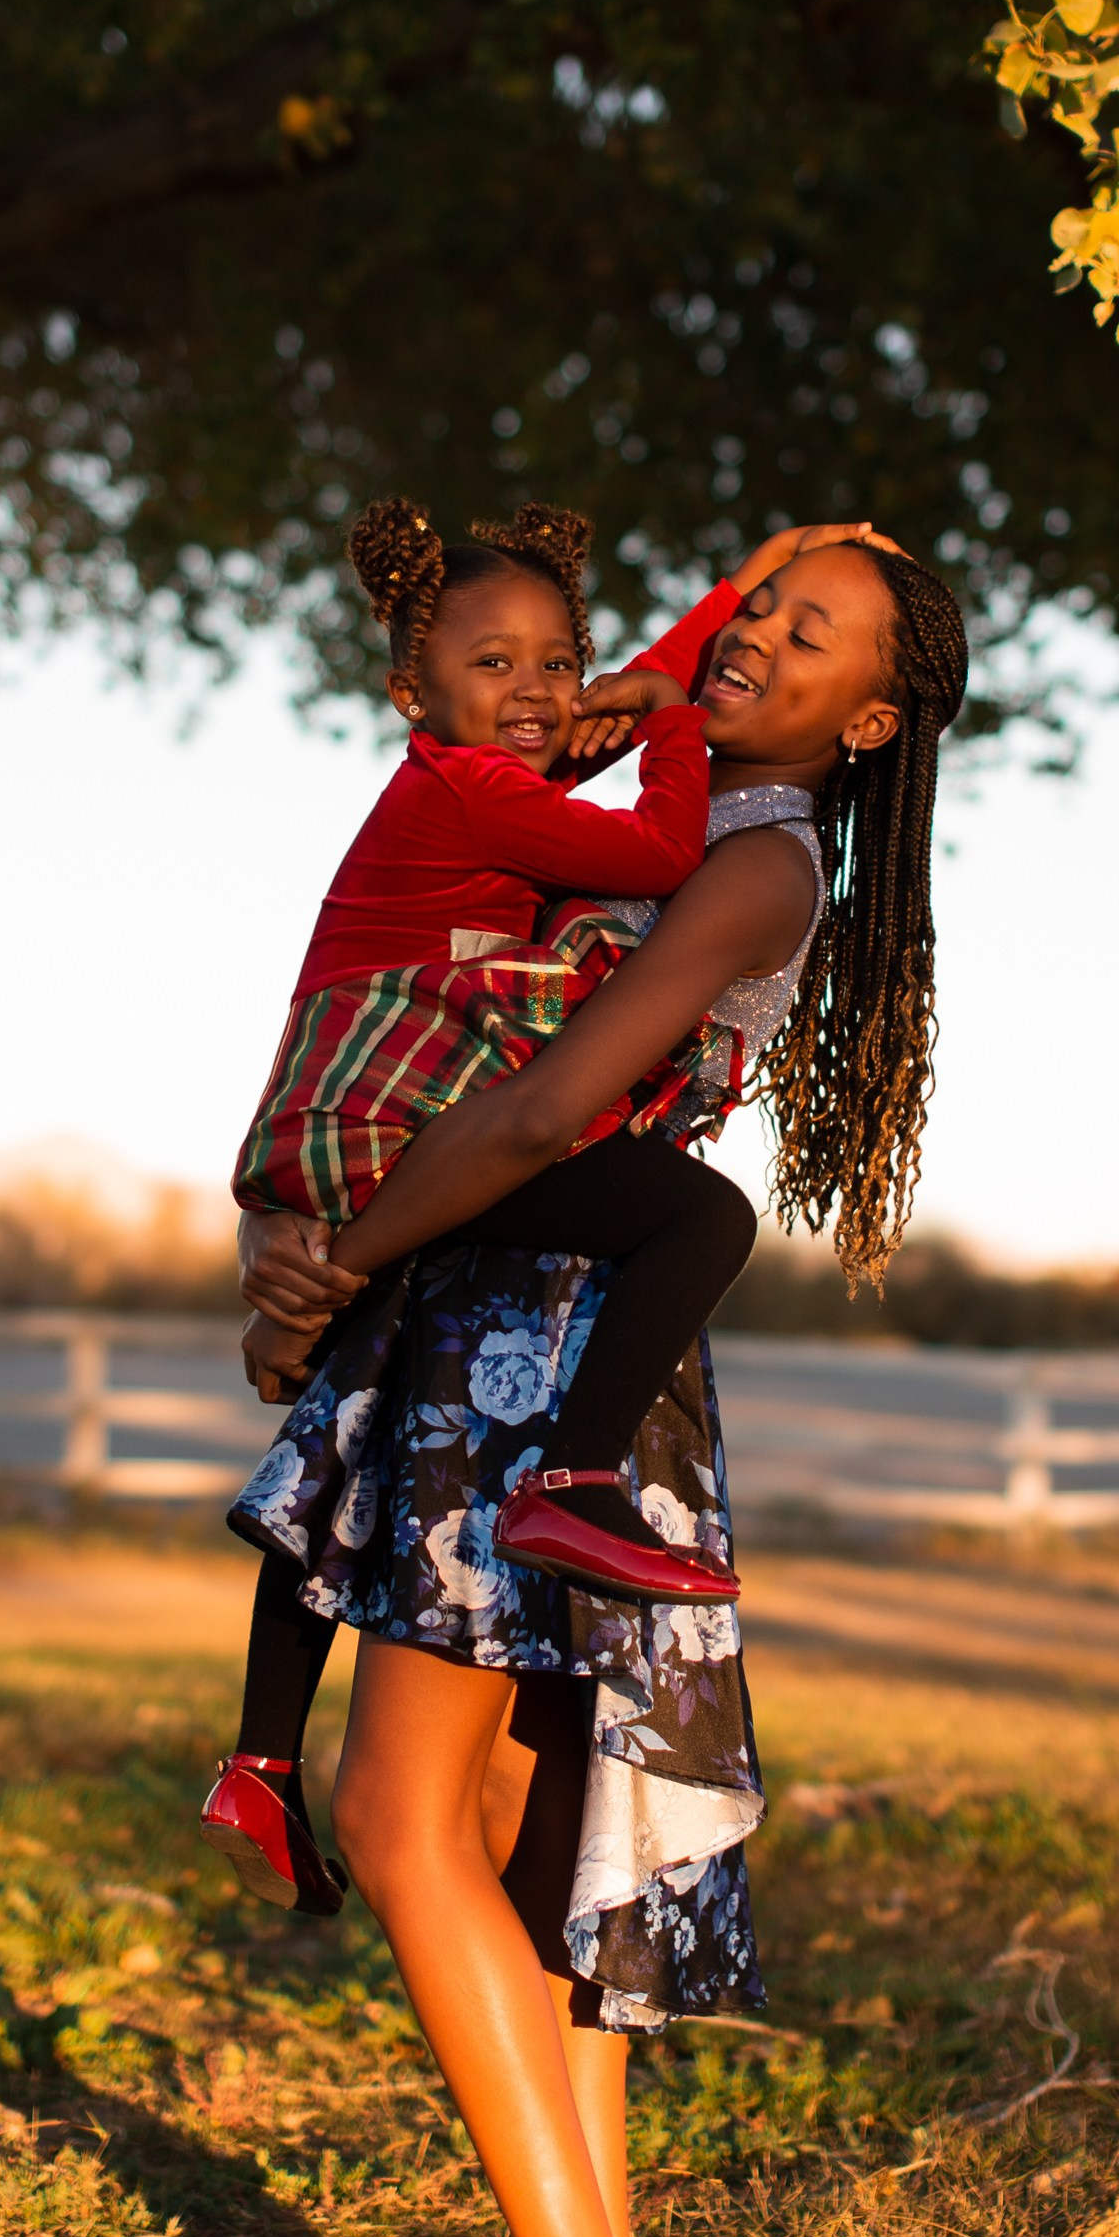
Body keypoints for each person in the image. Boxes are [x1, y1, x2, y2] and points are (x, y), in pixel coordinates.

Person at [233, 535, 969, 2237]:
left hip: (522, 1336)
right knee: (510, 1838)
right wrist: (726, 608)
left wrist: (334, 1264)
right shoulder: (702, 817)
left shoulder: (748, 862)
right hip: (546, 1333)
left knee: (397, 1822)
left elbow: (543, 1116)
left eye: (807, 639)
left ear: (871, 720)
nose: (751, 639)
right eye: (752, 610)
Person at [205, 499, 879, 1921]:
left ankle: (261, 1754)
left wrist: (733, 588)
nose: (541, 695)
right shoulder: (489, 783)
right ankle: (563, 1492)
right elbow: (631, 847)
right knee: (690, 1229)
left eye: (555, 666)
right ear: (415, 689)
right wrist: (683, 711)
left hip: (424, 1148)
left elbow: (621, 692)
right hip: (443, 1151)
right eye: (499, 668)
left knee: (339, 1449)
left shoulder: (664, 818)